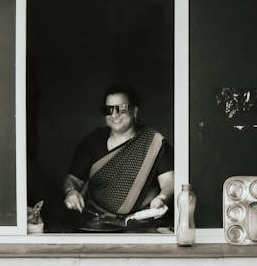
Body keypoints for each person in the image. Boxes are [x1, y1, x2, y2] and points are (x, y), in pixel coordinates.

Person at [62, 85, 174, 226]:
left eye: (121, 108)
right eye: (109, 110)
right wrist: (71, 192)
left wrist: (162, 199)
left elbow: (169, 182)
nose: (114, 115)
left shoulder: (154, 142)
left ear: (135, 111)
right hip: (97, 221)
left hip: (141, 223)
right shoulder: (92, 141)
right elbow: (73, 179)